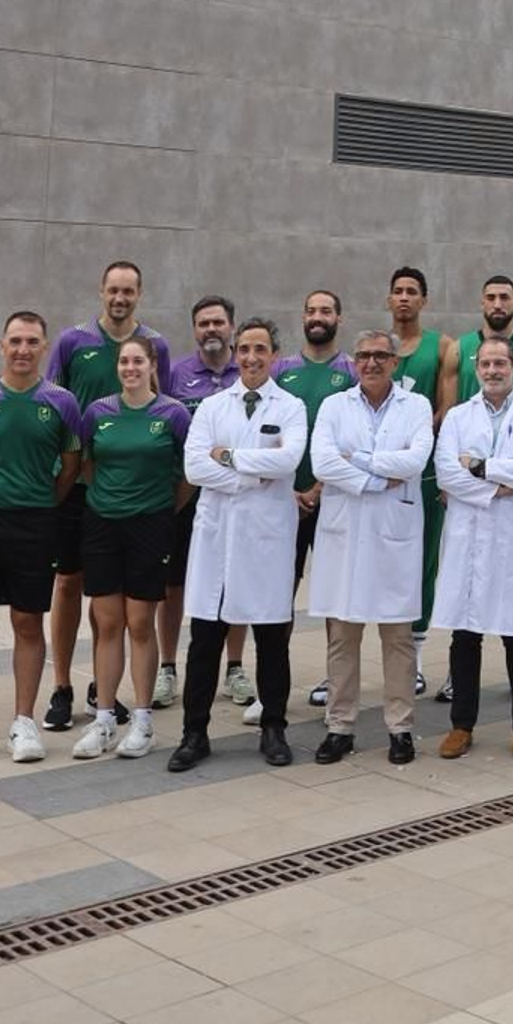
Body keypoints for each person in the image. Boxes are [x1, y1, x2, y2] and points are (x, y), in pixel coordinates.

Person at [168, 318, 305, 773]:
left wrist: (227, 457)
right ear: (234, 352)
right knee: (205, 639)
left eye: (260, 349)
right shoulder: (211, 407)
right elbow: (194, 468)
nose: (250, 357)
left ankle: (274, 728)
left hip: (266, 538)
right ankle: (194, 733)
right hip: (218, 537)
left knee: (271, 637)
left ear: (274, 356)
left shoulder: (291, 407)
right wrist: (252, 475)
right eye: (244, 349)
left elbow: (287, 461)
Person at [47, 264, 170, 732]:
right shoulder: (72, 342)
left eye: (128, 291)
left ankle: (105, 688)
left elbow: (163, 407)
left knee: (113, 597)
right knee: (68, 583)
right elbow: (57, 405)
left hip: (130, 495)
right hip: (79, 485)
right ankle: (62, 686)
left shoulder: (154, 344)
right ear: (101, 291)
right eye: (113, 289)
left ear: (139, 294)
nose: (120, 298)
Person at [309, 331, 434, 765]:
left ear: (395, 362)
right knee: (343, 636)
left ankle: (400, 729)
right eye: (363, 355)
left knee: (397, 636)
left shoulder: (416, 406)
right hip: (346, 533)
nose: (371, 363)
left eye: (381, 355)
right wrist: (379, 478)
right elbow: (323, 463)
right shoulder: (334, 406)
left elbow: (415, 460)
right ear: (353, 362)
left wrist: (356, 459)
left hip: (394, 534)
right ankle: (339, 727)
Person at [434, 334, 513, 758]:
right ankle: (461, 725)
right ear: (476, 368)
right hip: (468, 536)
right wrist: (497, 486)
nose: (492, 371)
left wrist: (479, 466)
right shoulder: (457, 417)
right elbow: (446, 473)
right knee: (465, 634)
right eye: (485, 364)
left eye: (500, 363)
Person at [0, 312, 81, 762]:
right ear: (2, 345)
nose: (23, 349)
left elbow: (70, 467)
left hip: (35, 526)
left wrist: (42, 503)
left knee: (27, 622)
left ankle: (23, 723)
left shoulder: (62, 402)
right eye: (15, 340)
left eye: (32, 341)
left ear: (44, 347)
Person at [73, 338, 191, 762]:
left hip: (151, 526)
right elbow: (87, 465)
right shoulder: (97, 412)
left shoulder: (173, 414)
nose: (130, 368)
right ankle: (104, 718)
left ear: (152, 364)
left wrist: (158, 509)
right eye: (124, 361)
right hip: (103, 525)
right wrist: (112, 500)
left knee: (140, 622)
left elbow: (188, 475)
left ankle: (143, 721)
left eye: (138, 360)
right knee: (107, 623)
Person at [273, 292, 356, 708]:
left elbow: (353, 440)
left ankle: (334, 681)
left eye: (326, 311)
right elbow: (268, 434)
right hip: (284, 501)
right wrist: (287, 489)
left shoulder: (352, 371)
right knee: (278, 595)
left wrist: (318, 489)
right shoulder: (281, 370)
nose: (317, 317)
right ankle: (274, 683)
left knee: (333, 596)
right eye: (311, 311)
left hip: (333, 500)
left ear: (339, 318)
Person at [159, 294, 239, 711]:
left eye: (218, 322)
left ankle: (235, 667)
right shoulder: (176, 375)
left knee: (234, 581)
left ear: (231, 327)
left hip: (233, 497)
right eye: (204, 323)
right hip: (182, 496)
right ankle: (167, 667)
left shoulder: (247, 371)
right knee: (172, 584)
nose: (211, 329)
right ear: (194, 330)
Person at [385, 267, 458, 698]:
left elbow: (446, 409)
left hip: (423, 469)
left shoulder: (442, 346)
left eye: (412, 291)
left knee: (423, 562)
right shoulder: (377, 346)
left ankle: (413, 655)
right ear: (388, 299)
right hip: (381, 472)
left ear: (424, 300)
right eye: (397, 291)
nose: (404, 297)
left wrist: (411, 439)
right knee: (381, 561)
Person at [455, 275, 513, 405]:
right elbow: (448, 410)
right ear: (482, 302)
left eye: (504, 298)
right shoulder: (457, 350)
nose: (497, 305)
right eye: (491, 298)